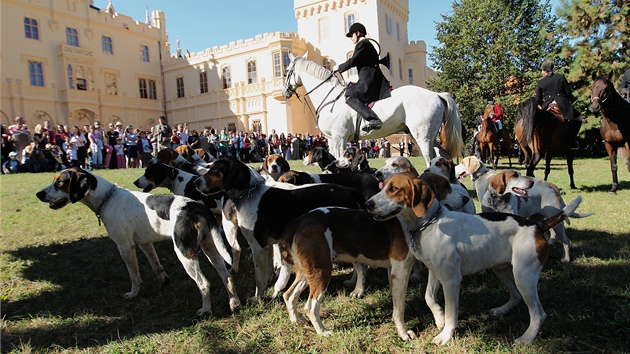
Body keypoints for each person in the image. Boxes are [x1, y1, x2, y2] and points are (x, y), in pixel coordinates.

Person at [335, 22, 391, 133]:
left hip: (369, 81)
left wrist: (338, 68)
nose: (351, 38)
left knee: (349, 95)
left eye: (352, 35)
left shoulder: (363, 44)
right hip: (371, 79)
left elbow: (353, 61)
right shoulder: (366, 45)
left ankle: (373, 119)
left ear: (358, 33)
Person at [536, 60, 582, 150]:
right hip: (562, 104)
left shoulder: (541, 82)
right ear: (552, 69)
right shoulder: (560, 77)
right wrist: (566, 101)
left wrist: (544, 105)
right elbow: (568, 93)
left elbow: (538, 99)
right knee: (579, 118)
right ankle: (572, 140)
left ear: (543, 70)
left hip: (547, 105)